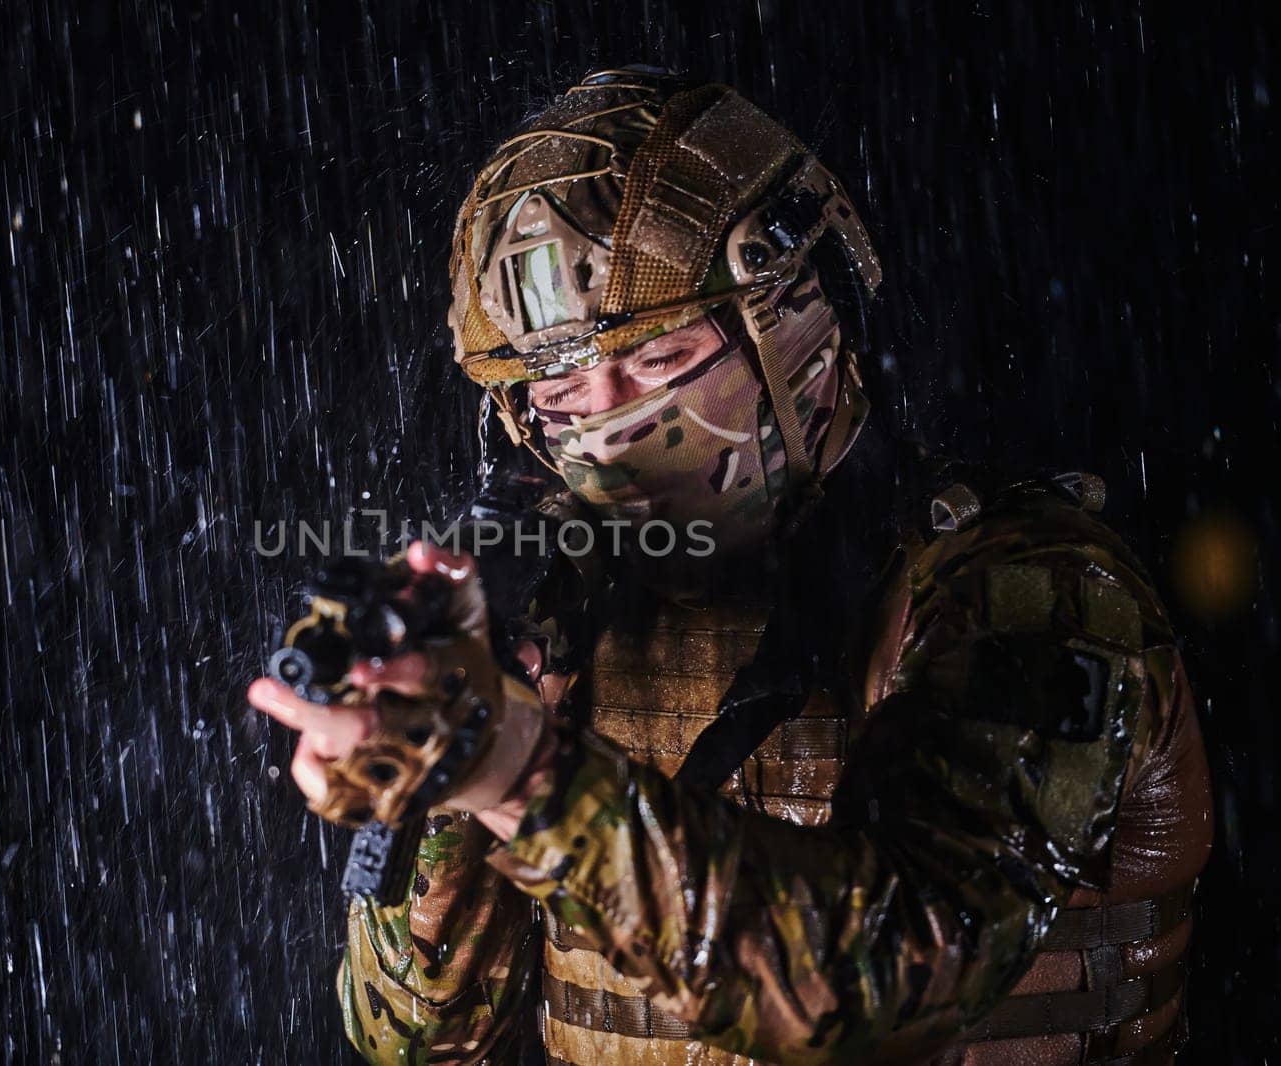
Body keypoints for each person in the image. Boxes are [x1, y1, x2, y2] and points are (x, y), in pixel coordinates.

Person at [248, 67, 1211, 1065]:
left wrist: (523, 772)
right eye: (564, 396)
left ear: (795, 315)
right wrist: (448, 775)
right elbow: (413, 1036)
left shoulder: (1029, 590)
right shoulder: (568, 603)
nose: (611, 429)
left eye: (659, 360)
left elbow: (875, 987)